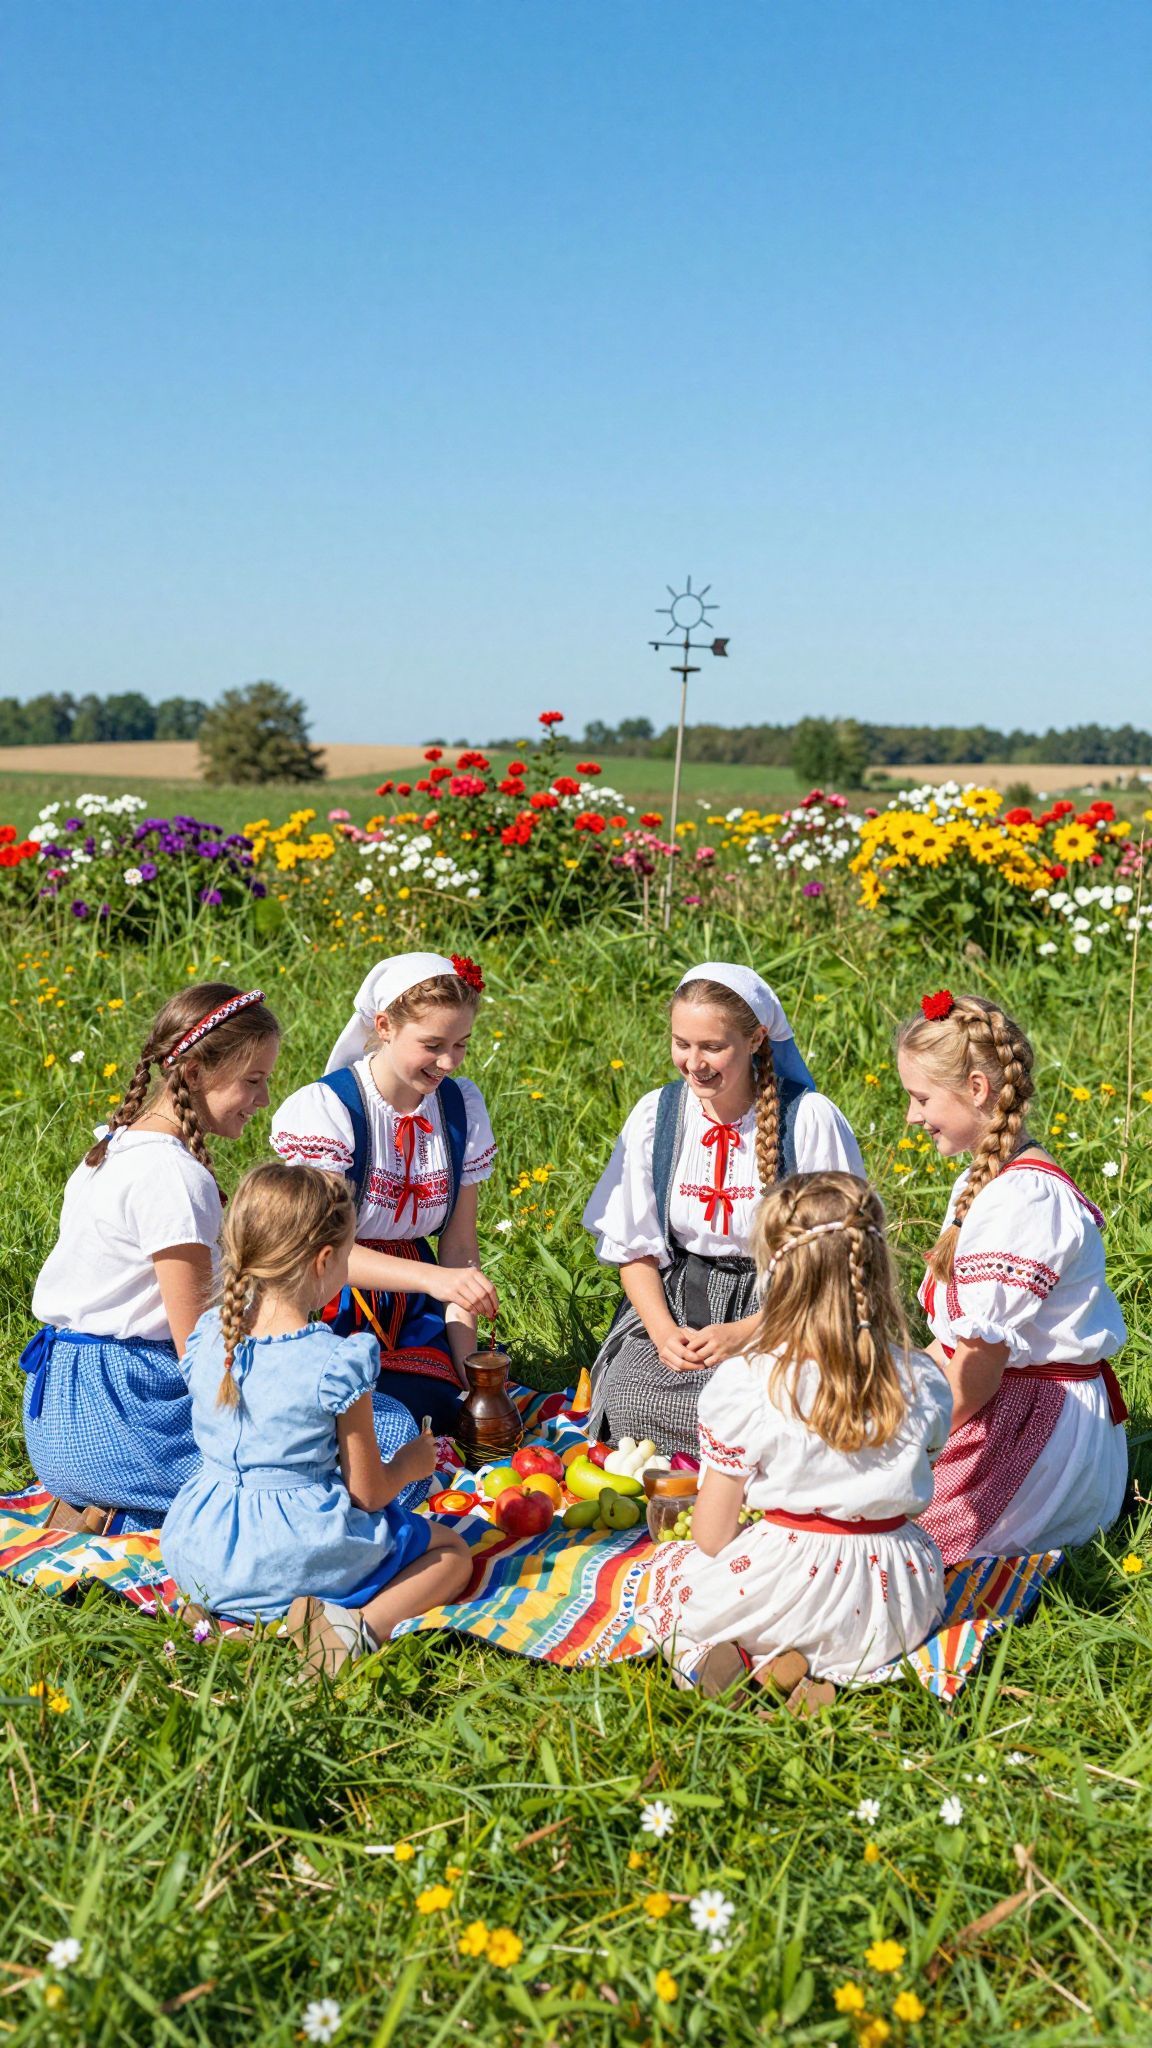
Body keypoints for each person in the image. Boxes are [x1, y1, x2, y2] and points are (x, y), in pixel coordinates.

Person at [635, 1172, 953, 1698]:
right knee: (854, 1613)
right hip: (895, 1596)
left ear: (776, 1277)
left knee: (673, 1577)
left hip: (790, 1579)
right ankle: (831, 1679)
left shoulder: (751, 1380)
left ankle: (727, 1661)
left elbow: (712, 1535)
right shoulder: (921, 1378)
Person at [161, 1162, 472, 1672]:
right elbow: (367, 1493)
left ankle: (225, 1616)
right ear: (324, 1260)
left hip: (201, 1545)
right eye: (348, 1258)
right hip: (295, 1552)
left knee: (245, 1571)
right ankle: (354, 1633)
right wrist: (415, 1464)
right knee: (450, 1552)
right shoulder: (336, 1363)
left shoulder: (207, 1338)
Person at [21, 983, 281, 1532]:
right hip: (129, 1412)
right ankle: (137, 1515)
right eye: (252, 1081)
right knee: (382, 1436)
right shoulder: (171, 1176)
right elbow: (199, 1349)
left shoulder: (114, 1146)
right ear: (192, 1074)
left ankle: (101, 1503)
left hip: (60, 1419)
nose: (262, 1100)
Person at [583, 961, 865, 1455]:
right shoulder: (658, 1115)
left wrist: (746, 1333)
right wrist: (665, 1333)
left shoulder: (807, 1120)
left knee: (784, 1406)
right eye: (682, 1044)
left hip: (789, 1308)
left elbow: (836, 1263)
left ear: (757, 1039)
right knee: (629, 1399)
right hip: (681, 1303)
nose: (695, 1063)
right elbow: (635, 1248)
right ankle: (748, 1460)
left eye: (713, 1047)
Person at [896, 989, 1127, 1565]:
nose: (911, 1116)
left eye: (922, 1098)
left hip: (1038, 1430)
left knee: (885, 1532)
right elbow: (954, 1342)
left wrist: (911, 1445)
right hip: (1001, 1401)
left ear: (976, 1089)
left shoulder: (1024, 1200)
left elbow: (978, 1367)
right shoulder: (987, 1182)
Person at [270, 951, 500, 1436]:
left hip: (418, 1309)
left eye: (461, 1044)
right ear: (385, 1026)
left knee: (442, 1409)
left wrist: (469, 1374)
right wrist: (435, 1281)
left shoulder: (460, 1107)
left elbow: (459, 1249)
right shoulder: (330, 1110)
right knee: (370, 1418)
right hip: (331, 1299)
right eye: (432, 1043)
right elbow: (319, 1253)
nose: (447, 1062)